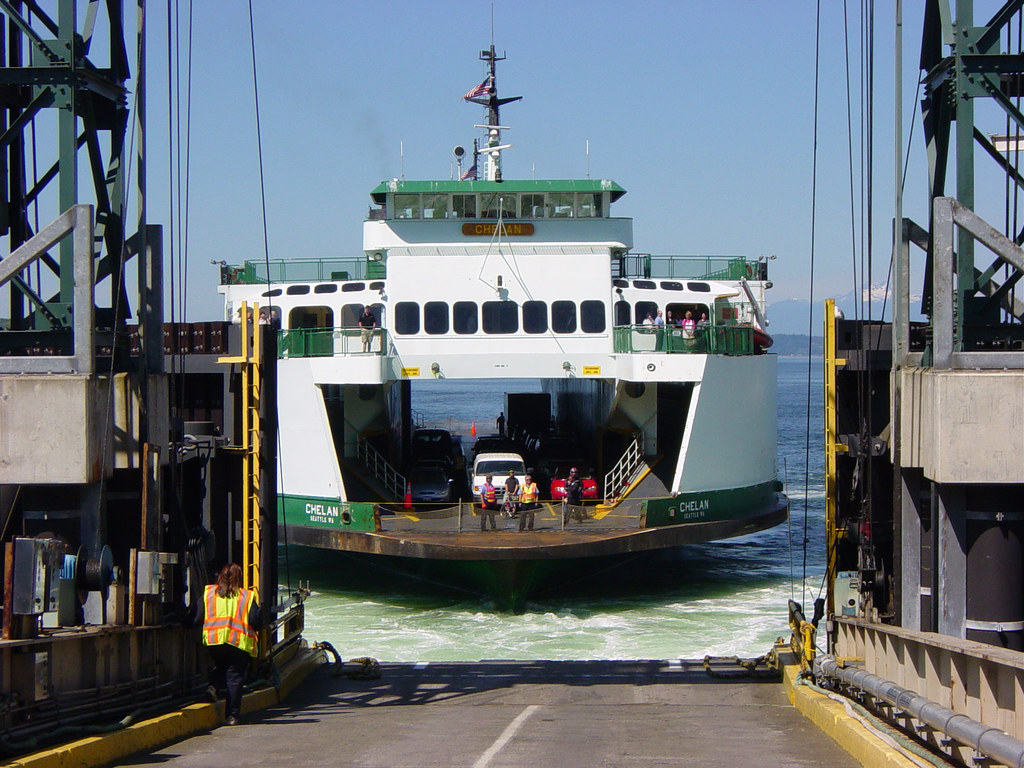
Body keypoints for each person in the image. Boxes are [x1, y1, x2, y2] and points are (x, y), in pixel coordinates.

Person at [201, 563, 261, 726]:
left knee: (221, 666)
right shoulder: (246, 596)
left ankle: (213, 687)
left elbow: (196, 614)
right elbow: (256, 621)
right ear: (239, 578)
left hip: (214, 641)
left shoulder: (209, 593)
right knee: (234, 678)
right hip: (237, 642)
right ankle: (232, 716)